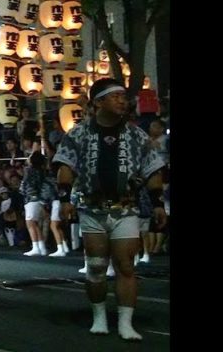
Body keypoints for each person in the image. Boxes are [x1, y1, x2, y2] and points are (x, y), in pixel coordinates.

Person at [55, 78, 167, 341]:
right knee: (96, 266)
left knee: (126, 266)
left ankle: (126, 323)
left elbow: (152, 171)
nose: (122, 101)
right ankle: (99, 316)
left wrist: (158, 204)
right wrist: (65, 200)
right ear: (98, 102)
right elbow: (65, 168)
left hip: (125, 209)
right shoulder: (79, 133)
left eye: (123, 97)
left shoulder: (137, 135)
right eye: (115, 96)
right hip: (91, 209)